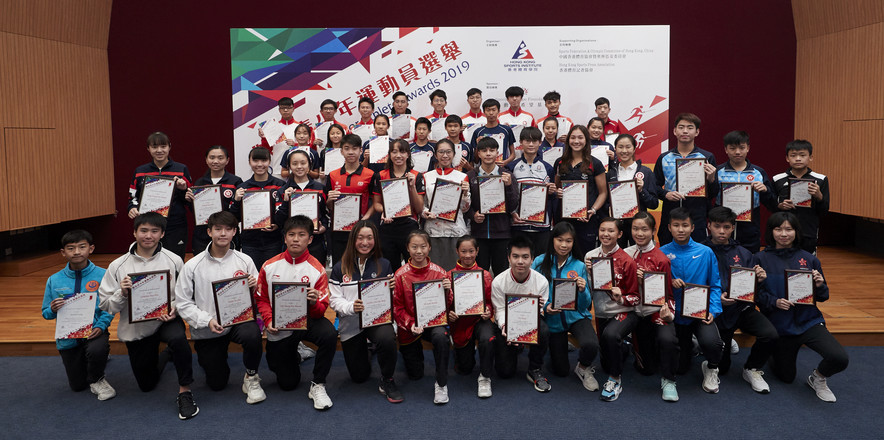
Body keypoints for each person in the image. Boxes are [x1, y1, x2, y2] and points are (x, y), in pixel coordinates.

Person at [99, 213, 197, 419]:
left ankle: (185, 391)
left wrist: (175, 308)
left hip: (166, 320)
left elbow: (186, 294)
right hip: (136, 327)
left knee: (179, 339)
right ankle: (166, 355)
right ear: (134, 232)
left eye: (154, 231)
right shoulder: (118, 265)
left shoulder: (175, 260)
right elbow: (106, 305)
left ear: (162, 234)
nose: (148, 236)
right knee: (147, 385)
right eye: (143, 230)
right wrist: (122, 292)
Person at [755, 212, 848, 402]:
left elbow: (823, 296)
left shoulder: (810, 259)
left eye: (789, 229)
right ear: (770, 231)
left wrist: (820, 285)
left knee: (839, 358)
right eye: (778, 229)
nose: (783, 234)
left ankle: (818, 378)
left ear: (796, 232)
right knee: (786, 377)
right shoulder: (759, 259)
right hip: (780, 325)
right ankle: (774, 352)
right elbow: (755, 296)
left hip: (808, 321)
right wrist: (774, 302)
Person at [175, 211, 265, 404]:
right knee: (217, 383)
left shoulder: (245, 260)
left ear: (234, 232)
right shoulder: (192, 265)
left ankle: (251, 376)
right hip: (209, 327)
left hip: (238, 322)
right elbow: (182, 302)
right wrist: (206, 320)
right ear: (209, 232)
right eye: (218, 229)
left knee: (252, 334)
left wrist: (254, 285)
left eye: (228, 229)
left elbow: (260, 292)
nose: (222, 233)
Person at [254, 215, 337, 410]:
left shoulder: (317, 269)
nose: (296, 239)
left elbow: (320, 312)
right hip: (280, 324)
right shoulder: (269, 265)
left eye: (301, 235)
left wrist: (315, 302)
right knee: (288, 383)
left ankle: (318, 384)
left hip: (307, 321)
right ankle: (298, 354)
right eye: (291, 234)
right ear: (284, 238)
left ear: (310, 239)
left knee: (329, 334)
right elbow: (262, 299)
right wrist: (267, 320)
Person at [703, 206, 778, 393]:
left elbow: (753, 291)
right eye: (717, 226)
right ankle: (706, 355)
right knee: (723, 368)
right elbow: (695, 284)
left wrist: (758, 281)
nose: (722, 231)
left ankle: (751, 368)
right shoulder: (701, 251)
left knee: (770, 334)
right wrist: (715, 299)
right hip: (715, 311)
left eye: (727, 227)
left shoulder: (744, 254)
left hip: (741, 309)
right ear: (709, 226)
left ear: (733, 228)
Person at [329, 220, 403, 403]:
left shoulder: (384, 265)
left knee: (386, 338)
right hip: (351, 323)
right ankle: (368, 349)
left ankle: (387, 379)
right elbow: (334, 300)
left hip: (377, 321)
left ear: (375, 240)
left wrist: (393, 289)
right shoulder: (339, 268)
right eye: (360, 238)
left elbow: (393, 301)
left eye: (369, 238)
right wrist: (351, 307)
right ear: (353, 240)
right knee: (359, 377)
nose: (365, 242)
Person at [42, 230, 115, 401]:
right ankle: (91, 359)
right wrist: (52, 309)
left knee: (97, 350)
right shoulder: (54, 280)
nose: (76, 252)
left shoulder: (103, 275)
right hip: (68, 336)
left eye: (82, 247)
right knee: (78, 386)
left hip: (94, 331)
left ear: (91, 248)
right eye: (71, 248)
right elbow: (46, 313)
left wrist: (101, 326)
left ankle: (98, 377)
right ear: (63, 252)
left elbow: (110, 307)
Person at [659, 207, 724, 394]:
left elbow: (715, 285)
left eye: (685, 225)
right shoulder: (662, 253)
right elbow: (655, 287)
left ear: (693, 227)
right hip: (674, 315)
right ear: (669, 228)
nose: (681, 230)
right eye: (676, 225)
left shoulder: (706, 252)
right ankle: (691, 346)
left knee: (713, 344)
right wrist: (668, 282)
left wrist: (713, 311)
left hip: (700, 313)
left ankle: (711, 366)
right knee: (680, 368)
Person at [532, 223, 598, 391]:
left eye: (568, 241)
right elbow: (532, 292)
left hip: (576, 317)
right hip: (553, 321)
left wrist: (583, 290)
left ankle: (583, 367)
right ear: (552, 240)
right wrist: (546, 308)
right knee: (561, 371)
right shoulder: (540, 262)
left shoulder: (579, 266)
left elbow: (585, 305)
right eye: (559, 240)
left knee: (591, 344)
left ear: (573, 242)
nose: (564, 245)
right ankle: (555, 347)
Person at [624, 212, 680, 401]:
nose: (639, 233)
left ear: (654, 231)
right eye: (635, 229)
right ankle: (636, 348)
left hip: (655, 311)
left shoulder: (661, 259)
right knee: (646, 370)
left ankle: (669, 380)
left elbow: (669, 295)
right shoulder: (626, 254)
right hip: (634, 312)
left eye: (644, 229)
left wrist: (668, 314)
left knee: (667, 340)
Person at [393, 230, 452, 404]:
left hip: (434, 323)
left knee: (441, 337)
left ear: (429, 247)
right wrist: (410, 324)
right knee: (415, 375)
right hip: (410, 326)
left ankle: (441, 384)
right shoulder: (400, 274)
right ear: (407, 249)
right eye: (414, 247)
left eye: (423, 246)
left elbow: (447, 306)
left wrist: (448, 291)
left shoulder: (440, 273)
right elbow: (397, 307)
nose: (419, 251)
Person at [584, 218, 640, 401]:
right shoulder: (590, 256)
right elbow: (588, 291)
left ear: (620, 234)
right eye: (602, 230)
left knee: (610, 336)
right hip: (601, 313)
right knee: (606, 362)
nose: (605, 234)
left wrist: (621, 297)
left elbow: (636, 297)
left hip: (624, 312)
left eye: (611, 231)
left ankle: (615, 380)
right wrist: (590, 275)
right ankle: (624, 346)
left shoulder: (627, 261)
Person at [491, 235, 552, 392]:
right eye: (515, 256)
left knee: (544, 330)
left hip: (530, 321)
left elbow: (539, 310)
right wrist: (506, 327)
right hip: (507, 323)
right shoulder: (498, 281)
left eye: (525, 257)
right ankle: (512, 349)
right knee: (505, 373)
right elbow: (500, 310)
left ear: (532, 259)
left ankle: (535, 368)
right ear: (508, 258)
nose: (520, 261)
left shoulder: (541, 281)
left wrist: (523, 332)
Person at [653, 113, 717, 245]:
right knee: (668, 252)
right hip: (670, 211)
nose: (685, 131)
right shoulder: (664, 158)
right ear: (674, 131)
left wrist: (711, 179)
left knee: (697, 253)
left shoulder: (707, 157)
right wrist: (666, 194)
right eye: (681, 127)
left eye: (690, 127)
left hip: (697, 213)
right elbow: (654, 187)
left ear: (697, 132)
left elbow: (713, 193)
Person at [708, 131, 776, 253]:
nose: (737, 152)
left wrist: (765, 191)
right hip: (723, 226)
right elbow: (709, 196)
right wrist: (711, 181)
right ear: (726, 149)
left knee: (748, 262)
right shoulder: (718, 171)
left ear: (748, 148)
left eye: (741, 148)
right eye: (732, 148)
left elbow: (772, 205)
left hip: (749, 228)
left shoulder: (758, 173)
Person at [127, 131, 191, 259]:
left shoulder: (181, 169)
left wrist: (183, 189)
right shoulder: (140, 171)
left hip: (175, 225)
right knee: (149, 260)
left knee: (175, 260)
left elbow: (190, 201)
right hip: (149, 225)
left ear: (169, 147)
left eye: (163, 146)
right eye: (154, 147)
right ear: (148, 149)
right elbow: (132, 197)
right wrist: (132, 208)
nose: (159, 150)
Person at [447, 235, 498, 398]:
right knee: (464, 369)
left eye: (471, 251)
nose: (467, 255)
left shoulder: (485, 275)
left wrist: (488, 310)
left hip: (479, 319)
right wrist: (450, 314)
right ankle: (459, 353)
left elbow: (491, 302)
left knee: (487, 338)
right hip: (460, 322)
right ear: (457, 252)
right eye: (463, 251)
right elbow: (445, 305)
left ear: (477, 251)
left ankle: (485, 376)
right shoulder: (449, 276)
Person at [372, 139, 425, 272]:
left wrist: (412, 187)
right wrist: (385, 211)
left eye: (402, 151)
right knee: (389, 268)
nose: (398, 155)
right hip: (387, 226)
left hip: (409, 226)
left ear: (408, 154)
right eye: (394, 152)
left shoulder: (416, 176)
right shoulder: (381, 176)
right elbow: (376, 204)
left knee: (413, 267)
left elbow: (419, 209)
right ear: (389, 155)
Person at [554, 125, 608, 254]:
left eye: (580, 137)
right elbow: (556, 187)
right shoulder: (560, 162)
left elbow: (603, 193)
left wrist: (593, 210)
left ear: (586, 140)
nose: (576, 141)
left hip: (586, 220)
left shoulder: (595, 163)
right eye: (573, 137)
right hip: (564, 219)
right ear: (568, 140)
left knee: (585, 256)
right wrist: (557, 192)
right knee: (563, 255)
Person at [467, 137, 518, 275]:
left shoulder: (507, 175)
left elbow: (513, 205)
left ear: (497, 153)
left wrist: (508, 187)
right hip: (479, 234)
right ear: (478, 153)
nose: (488, 153)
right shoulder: (471, 176)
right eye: (484, 150)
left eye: (492, 150)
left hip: (502, 234)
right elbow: (465, 205)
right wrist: (473, 215)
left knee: (501, 275)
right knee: (480, 275)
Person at [229, 147, 285, 270]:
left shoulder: (279, 185)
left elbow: (284, 213)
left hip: (274, 241)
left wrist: (277, 225)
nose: (259, 164)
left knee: (272, 276)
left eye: (264, 160)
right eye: (255, 161)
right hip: (250, 242)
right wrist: (237, 201)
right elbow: (234, 218)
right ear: (249, 162)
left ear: (269, 161)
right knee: (253, 278)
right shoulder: (243, 187)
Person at [506, 126, 556, 259]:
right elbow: (508, 194)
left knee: (539, 263)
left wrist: (552, 191)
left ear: (540, 143)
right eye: (527, 141)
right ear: (521, 143)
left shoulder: (548, 168)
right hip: (519, 224)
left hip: (541, 226)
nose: (531, 144)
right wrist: (512, 212)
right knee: (519, 262)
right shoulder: (511, 167)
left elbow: (553, 195)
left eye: (535, 141)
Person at [772, 140, 830, 254]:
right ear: (787, 158)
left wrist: (819, 196)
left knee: (807, 265)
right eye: (793, 155)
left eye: (802, 155)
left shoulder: (821, 179)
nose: (798, 159)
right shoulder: (777, 179)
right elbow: (771, 207)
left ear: (810, 157)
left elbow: (824, 210)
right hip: (784, 232)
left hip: (808, 230)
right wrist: (780, 206)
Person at [325, 134, 375, 262]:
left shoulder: (370, 175)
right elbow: (329, 206)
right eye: (347, 148)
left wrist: (365, 218)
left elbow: (375, 202)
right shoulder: (332, 175)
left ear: (361, 151)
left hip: (360, 229)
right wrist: (329, 200)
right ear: (341, 151)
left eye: (354, 148)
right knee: (339, 265)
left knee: (361, 265)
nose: (351, 152)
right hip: (339, 230)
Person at [422, 139, 471, 271]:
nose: (445, 155)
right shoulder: (427, 177)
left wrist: (465, 193)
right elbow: (422, 204)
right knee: (435, 272)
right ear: (435, 155)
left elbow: (465, 209)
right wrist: (425, 212)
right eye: (441, 152)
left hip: (455, 230)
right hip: (434, 231)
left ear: (454, 154)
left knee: (456, 272)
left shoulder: (462, 177)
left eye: (448, 152)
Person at [275, 149, 329, 267]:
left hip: (316, 242)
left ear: (309, 165)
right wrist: (285, 201)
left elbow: (325, 214)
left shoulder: (320, 188)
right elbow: (278, 221)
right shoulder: (283, 190)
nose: (299, 167)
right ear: (289, 166)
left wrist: (323, 227)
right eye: (295, 164)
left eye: (303, 163)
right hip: (291, 244)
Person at [187, 145, 243, 255]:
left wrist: (236, 200)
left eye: (220, 158)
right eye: (212, 158)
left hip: (226, 234)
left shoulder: (235, 181)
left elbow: (239, 212)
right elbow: (195, 212)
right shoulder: (200, 183)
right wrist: (189, 201)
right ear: (206, 160)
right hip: (203, 233)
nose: (216, 161)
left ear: (227, 160)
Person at [607, 134, 658, 247]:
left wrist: (642, 191)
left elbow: (654, 204)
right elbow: (605, 201)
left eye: (628, 147)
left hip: (639, 226)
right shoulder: (611, 173)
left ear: (634, 149)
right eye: (620, 147)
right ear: (615, 149)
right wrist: (610, 209)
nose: (624, 151)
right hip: (617, 226)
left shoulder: (646, 172)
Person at [257, 97, 300, 176]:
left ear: (293, 108)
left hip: (297, 170)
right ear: (279, 110)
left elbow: (307, 148)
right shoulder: (273, 127)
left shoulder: (300, 127)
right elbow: (267, 149)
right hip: (277, 169)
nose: (286, 110)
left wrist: (295, 144)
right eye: (283, 108)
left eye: (288, 108)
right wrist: (264, 138)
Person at [470, 98, 517, 167]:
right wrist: (477, 146)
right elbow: (476, 160)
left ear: (498, 111)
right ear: (484, 112)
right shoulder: (478, 132)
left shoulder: (506, 130)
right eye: (488, 110)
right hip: (484, 170)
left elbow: (513, 154)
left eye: (493, 110)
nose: (491, 113)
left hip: (502, 168)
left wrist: (505, 162)